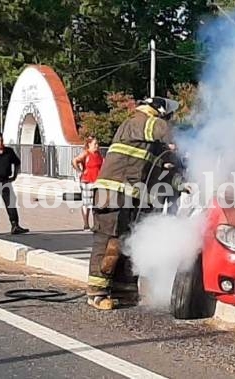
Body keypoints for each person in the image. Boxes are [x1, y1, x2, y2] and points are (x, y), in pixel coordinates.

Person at [87, 96, 191, 310]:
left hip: (134, 197)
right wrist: (190, 139)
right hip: (112, 193)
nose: (169, 120)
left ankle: (124, 291)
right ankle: (97, 292)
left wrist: (183, 181)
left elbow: (161, 171)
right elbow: (164, 132)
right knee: (110, 242)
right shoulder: (138, 121)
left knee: (131, 242)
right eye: (168, 116)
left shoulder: (151, 143)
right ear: (159, 111)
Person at [72, 136, 104, 230]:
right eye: (95, 144)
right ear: (89, 144)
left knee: (96, 203)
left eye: (97, 144)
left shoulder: (99, 154)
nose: (97, 146)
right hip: (87, 181)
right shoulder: (86, 153)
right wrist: (80, 171)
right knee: (87, 203)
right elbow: (75, 161)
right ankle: (86, 223)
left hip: (97, 181)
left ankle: (95, 224)